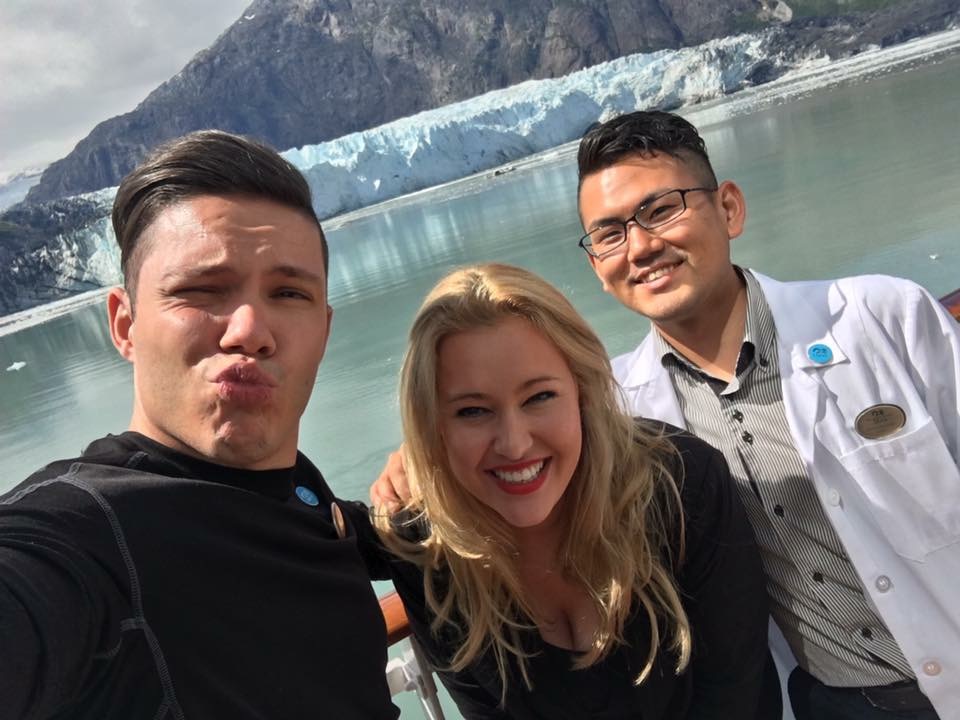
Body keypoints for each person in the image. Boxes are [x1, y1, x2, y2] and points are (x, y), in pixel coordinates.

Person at [573, 110, 960, 719]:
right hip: (828, 704)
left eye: (661, 209)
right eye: (610, 235)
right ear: (597, 266)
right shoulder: (619, 410)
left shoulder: (883, 316)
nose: (641, 247)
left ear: (728, 208)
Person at [0, 131, 399, 719]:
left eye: (290, 293)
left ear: (325, 329)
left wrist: (433, 481)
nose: (250, 330)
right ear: (125, 325)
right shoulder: (87, 534)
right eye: (200, 290)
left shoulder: (297, 490)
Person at [368, 262, 777, 718]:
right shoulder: (427, 551)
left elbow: (736, 694)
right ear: (433, 424)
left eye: (539, 397)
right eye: (472, 411)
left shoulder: (680, 485)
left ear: (582, 391)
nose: (514, 444)